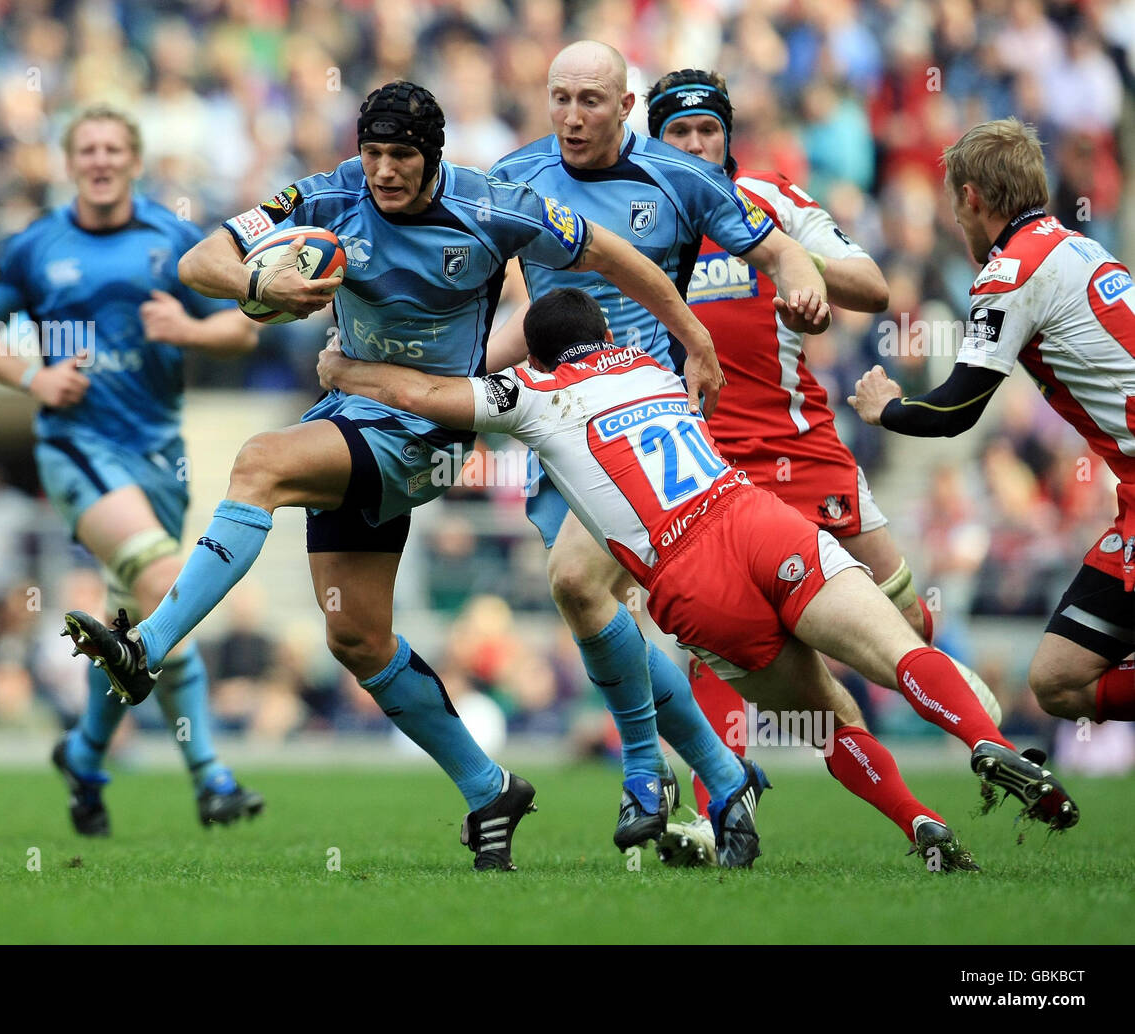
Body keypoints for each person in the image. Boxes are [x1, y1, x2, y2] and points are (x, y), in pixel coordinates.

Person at [61, 81, 751, 870]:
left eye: (402, 156)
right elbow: (199, 259)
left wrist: (693, 338)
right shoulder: (326, 195)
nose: (384, 171)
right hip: (352, 419)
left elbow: (611, 254)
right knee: (356, 637)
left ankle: (145, 648)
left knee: (259, 463)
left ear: (434, 156)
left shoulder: (495, 208)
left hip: (430, 432)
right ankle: (489, 787)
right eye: (374, 152)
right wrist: (263, 284)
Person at [319, 286, 1083, 868]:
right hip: (754, 518)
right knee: (893, 650)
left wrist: (345, 366)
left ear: (543, 358)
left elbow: (424, 395)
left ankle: (919, 822)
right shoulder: (653, 365)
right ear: (608, 336)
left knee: (832, 716)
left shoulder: (534, 395)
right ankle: (986, 740)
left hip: (689, 583)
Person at [642, 67, 1002, 862]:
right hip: (708, 479)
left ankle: (981, 731)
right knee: (724, 654)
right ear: (655, 140)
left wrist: (794, 267)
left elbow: (871, 286)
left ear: (728, 138)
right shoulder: (636, 223)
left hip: (804, 453)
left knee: (900, 623)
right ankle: (726, 811)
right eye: (679, 133)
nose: (696, 145)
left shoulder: (772, 200)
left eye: (708, 131)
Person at [486, 41, 830, 858]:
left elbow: (773, 245)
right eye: (559, 97)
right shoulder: (514, 175)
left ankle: (647, 770)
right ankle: (722, 773)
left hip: (644, 419)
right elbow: (480, 283)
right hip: (554, 422)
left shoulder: (680, 177)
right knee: (600, 614)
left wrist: (800, 274)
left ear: (627, 104)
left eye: (591, 101)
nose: (572, 116)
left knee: (577, 580)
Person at [0, 104, 264, 835]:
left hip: (160, 454)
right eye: (86, 148)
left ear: (134, 160)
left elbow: (245, 327)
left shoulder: (174, 240)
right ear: (69, 162)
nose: (99, 159)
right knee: (165, 585)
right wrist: (34, 378)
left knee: (132, 625)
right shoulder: (33, 248)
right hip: (76, 448)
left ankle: (86, 756)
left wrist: (189, 329)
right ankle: (212, 776)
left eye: (112, 148)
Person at [851, 117, 1135, 728]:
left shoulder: (1012, 269)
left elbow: (957, 407)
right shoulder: (1077, 245)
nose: (956, 222)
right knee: (1059, 680)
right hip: (1131, 495)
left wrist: (887, 410)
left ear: (972, 198)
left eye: (955, 207)